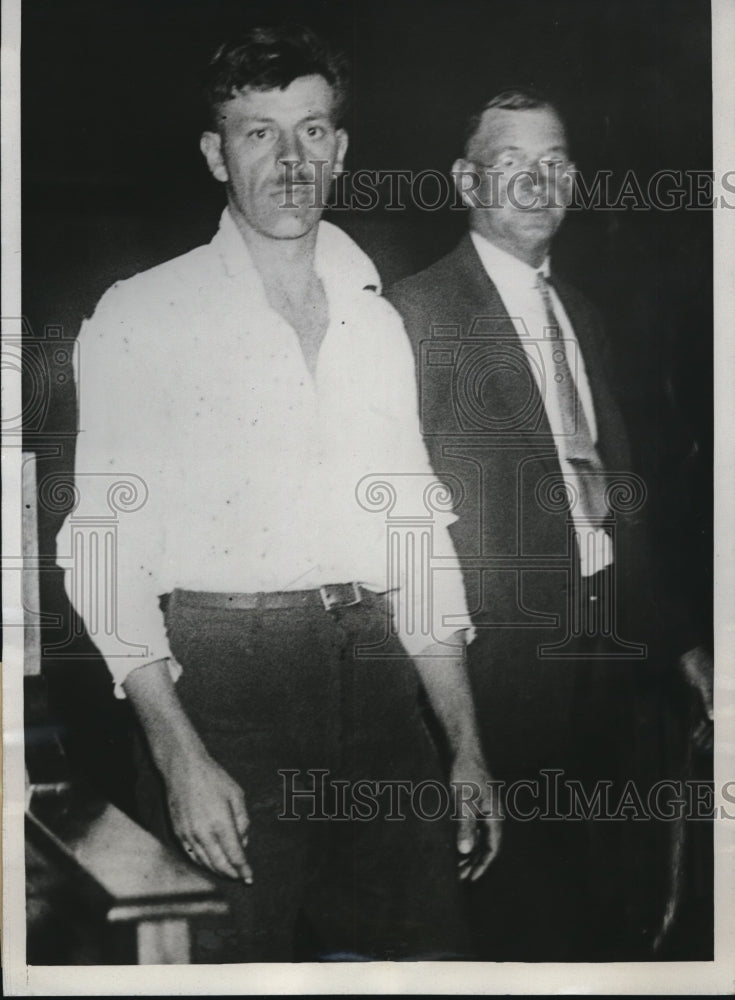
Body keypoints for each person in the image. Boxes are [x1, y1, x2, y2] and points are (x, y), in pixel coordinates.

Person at [61, 25, 501, 963]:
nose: (290, 160)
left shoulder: (374, 318)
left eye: (310, 130)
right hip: (224, 689)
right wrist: (178, 753)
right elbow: (99, 549)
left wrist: (461, 743)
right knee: (229, 970)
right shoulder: (143, 314)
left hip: (380, 684)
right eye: (258, 133)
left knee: (430, 968)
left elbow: (414, 536)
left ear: (340, 147)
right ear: (216, 155)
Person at [387, 88, 713, 960]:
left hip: (606, 689)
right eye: (510, 165)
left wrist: (683, 646)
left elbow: (612, 504)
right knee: (503, 938)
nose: (537, 183)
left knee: (599, 931)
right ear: (464, 180)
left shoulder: (582, 315)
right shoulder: (411, 318)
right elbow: (398, 535)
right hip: (492, 697)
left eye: (554, 162)